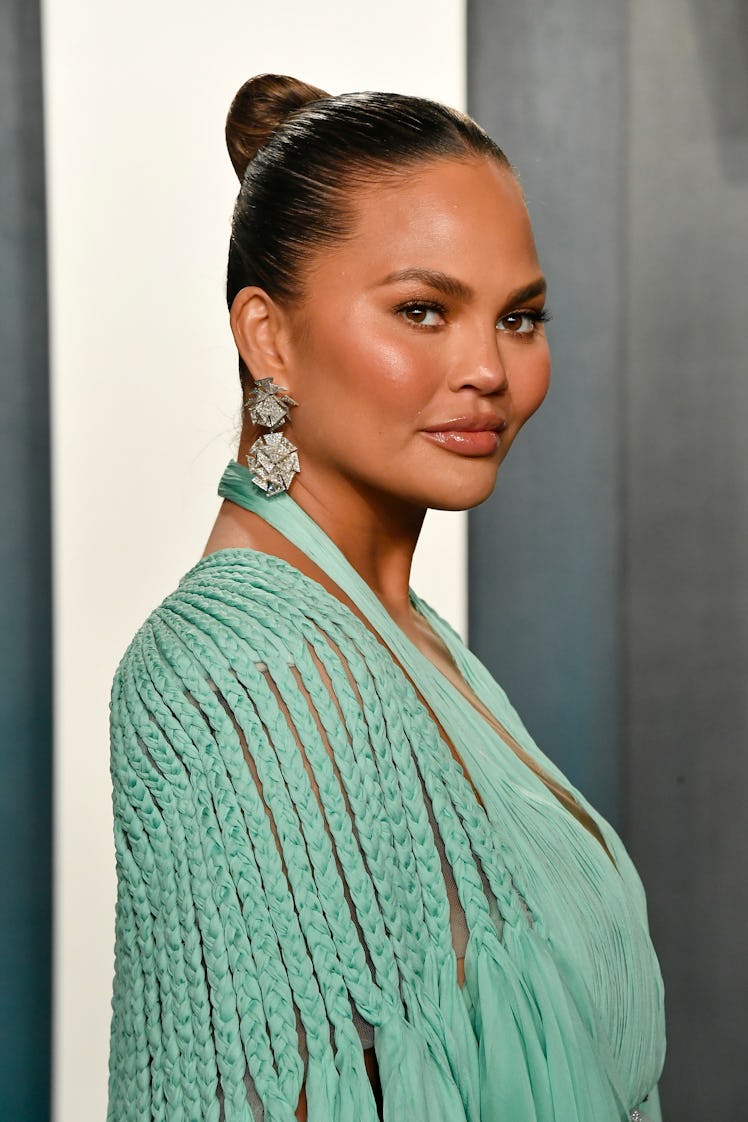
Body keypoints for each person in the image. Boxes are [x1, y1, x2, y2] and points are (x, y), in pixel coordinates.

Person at [107, 74, 666, 1122]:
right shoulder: (252, 676)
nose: (488, 368)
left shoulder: (407, 638)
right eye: (423, 310)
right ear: (268, 338)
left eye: (519, 317)